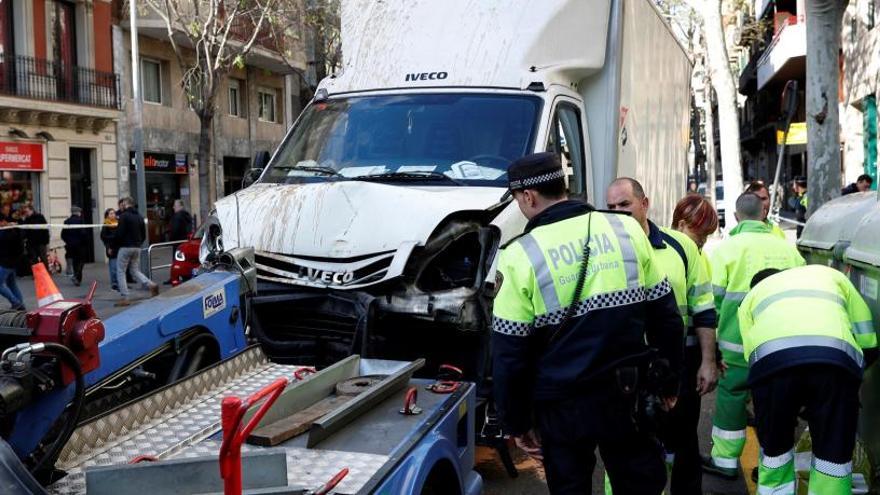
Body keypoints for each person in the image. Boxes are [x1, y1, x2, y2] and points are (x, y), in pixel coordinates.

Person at [492, 152, 684, 494]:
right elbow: (666, 315)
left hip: (561, 406)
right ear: (563, 186)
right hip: (628, 395)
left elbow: (509, 353)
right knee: (640, 484)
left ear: (528, 197)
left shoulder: (518, 255)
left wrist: (517, 422)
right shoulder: (626, 228)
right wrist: (669, 383)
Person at [606, 182, 719, 495]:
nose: (617, 213)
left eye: (624, 205)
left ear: (645, 203)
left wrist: (708, 361)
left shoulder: (680, 246)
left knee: (682, 441)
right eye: (611, 207)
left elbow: (704, 310)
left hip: (675, 362)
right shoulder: (601, 249)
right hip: (621, 366)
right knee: (623, 444)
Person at [739, 265, 877, 494]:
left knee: (775, 453)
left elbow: (752, 358)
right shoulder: (830, 275)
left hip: (774, 368)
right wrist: (848, 385)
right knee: (833, 459)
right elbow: (868, 340)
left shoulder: (752, 297)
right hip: (834, 364)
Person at [702, 192, 805, 479]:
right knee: (776, 402)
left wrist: (711, 347)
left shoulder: (727, 250)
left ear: (736, 217)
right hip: (780, 345)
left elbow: (713, 302)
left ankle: (724, 461)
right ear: (764, 214)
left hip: (737, 345)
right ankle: (772, 462)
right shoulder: (787, 250)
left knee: (732, 398)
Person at [115, 197, 158, 306]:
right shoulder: (139, 217)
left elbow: (119, 233)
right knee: (135, 270)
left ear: (126, 203)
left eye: (124, 203)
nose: (122, 205)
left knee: (120, 271)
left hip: (125, 247)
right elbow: (143, 234)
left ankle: (125, 297)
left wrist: (114, 245)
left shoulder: (124, 216)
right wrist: (138, 243)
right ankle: (151, 284)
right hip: (137, 247)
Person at [0, 216, 25, 310]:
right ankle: (20, 304)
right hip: (13, 262)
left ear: (3, 222)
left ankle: (16, 302)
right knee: (11, 284)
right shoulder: (15, 231)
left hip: (6, 262)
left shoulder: (6, 232)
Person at [61, 206, 88, 286]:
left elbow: (63, 235)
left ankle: (77, 278)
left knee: (75, 262)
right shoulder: (80, 221)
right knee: (81, 261)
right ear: (78, 212)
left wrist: (68, 241)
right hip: (80, 245)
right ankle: (76, 276)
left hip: (70, 246)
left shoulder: (66, 221)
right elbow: (83, 233)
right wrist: (85, 242)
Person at [100, 208, 119, 292]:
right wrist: (108, 246)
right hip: (111, 248)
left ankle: (120, 283)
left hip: (119, 247)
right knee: (113, 268)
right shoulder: (106, 224)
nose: (113, 215)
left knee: (120, 268)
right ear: (107, 215)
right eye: (110, 213)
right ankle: (114, 284)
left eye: (113, 213)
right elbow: (103, 237)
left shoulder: (118, 223)